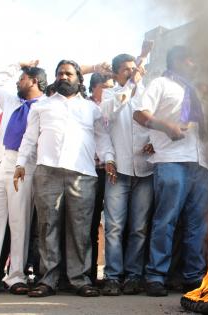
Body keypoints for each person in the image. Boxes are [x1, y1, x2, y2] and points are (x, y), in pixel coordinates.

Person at [14, 59, 115, 297]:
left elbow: (102, 138)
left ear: (79, 80)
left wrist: (109, 159)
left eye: (69, 74)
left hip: (83, 174)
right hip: (47, 171)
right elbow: (29, 138)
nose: (63, 77)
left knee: (80, 230)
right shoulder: (42, 106)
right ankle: (47, 280)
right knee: (47, 227)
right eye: (59, 73)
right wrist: (20, 163)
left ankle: (79, 280)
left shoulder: (92, 108)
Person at [133, 46, 208, 296]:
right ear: (177, 60)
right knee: (166, 220)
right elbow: (139, 112)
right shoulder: (160, 84)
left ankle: (193, 276)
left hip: (202, 163)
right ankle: (156, 275)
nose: (195, 62)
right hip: (172, 160)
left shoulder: (199, 89)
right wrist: (165, 126)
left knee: (197, 223)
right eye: (191, 57)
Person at [0, 61, 47, 294]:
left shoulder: (46, 106)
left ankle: (16, 277)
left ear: (33, 80)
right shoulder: (12, 101)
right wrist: (16, 64)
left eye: (22, 78)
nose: (17, 82)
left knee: (19, 224)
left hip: (23, 170)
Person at [100, 49, 154, 296]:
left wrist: (154, 141)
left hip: (145, 170)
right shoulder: (110, 95)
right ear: (115, 73)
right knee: (113, 227)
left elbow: (156, 123)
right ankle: (112, 277)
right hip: (118, 170)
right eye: (127, 70)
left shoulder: (148, 94)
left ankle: (134, 276)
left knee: (139, 228)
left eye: (135, 69)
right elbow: (105, 123)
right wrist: (108, 158)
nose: (133, 73)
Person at [88, 72, 114, 285]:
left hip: (113, 170)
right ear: (94, 88)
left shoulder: (115, 106)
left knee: (114, 223)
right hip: (92, 170)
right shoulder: (86, 107)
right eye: (106, 87)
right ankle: (89, 272)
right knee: (91, 221)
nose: (110, 91)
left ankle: (113, 274)